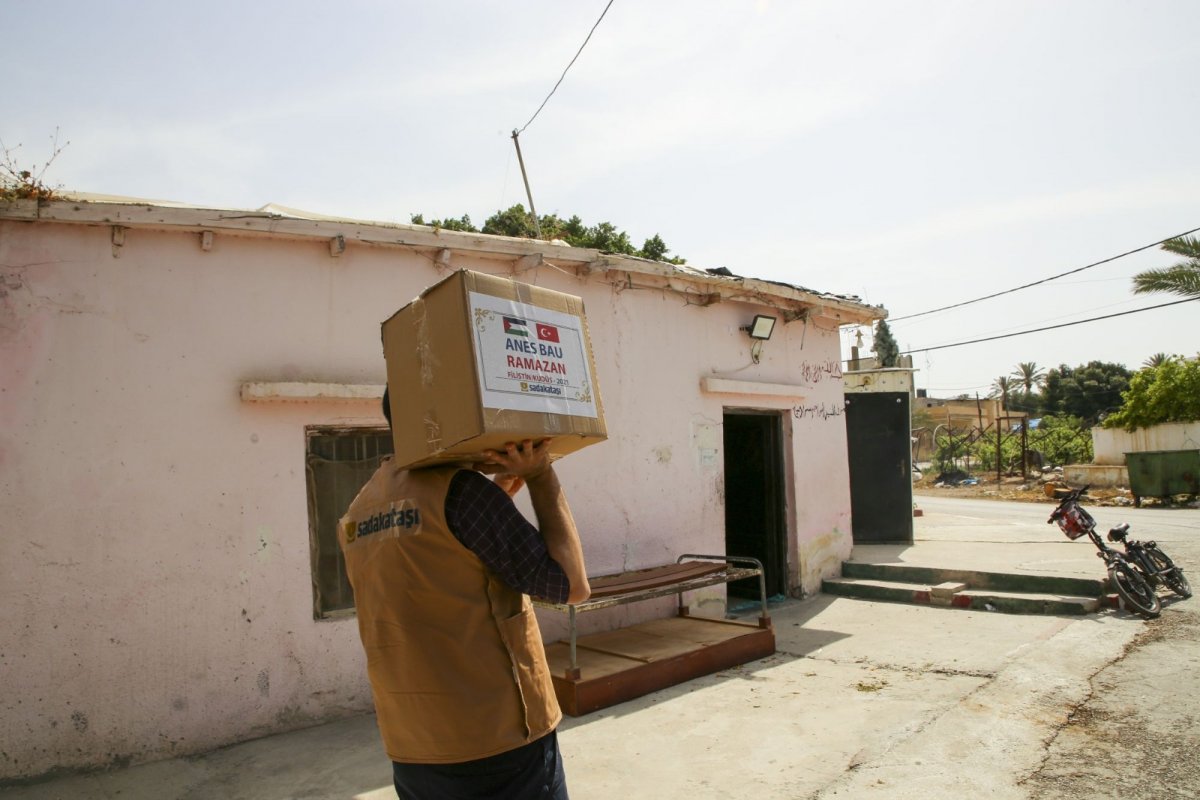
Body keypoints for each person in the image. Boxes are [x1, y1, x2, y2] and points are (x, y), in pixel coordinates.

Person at [338, 387, 590, 800]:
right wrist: (540, 474)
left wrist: (496, 499)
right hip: (497, 739)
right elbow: (572, 585)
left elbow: (437, 566)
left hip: (412, 744)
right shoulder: (463, 492)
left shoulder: (358, 509)